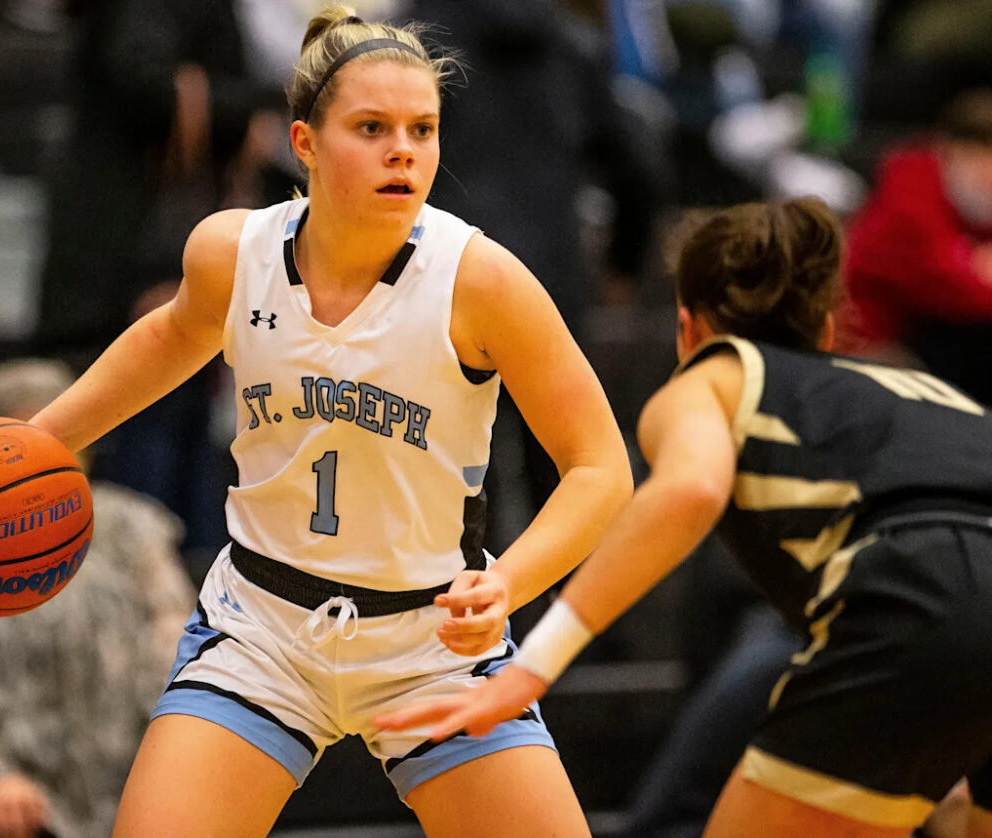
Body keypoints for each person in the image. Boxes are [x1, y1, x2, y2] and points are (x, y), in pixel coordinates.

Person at [25, 6, 633, 836]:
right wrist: (40, 440)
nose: (403, 150)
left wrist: (509, 583)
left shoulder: (481, 280)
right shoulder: (233, 253)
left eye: (423, 129)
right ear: (304, 143)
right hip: (264, 630)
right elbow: (169, 337)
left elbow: (600, 466)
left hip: (430, 642)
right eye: (372, 127)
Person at [378, 196, 992, 837]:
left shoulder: (717, 374)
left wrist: (532, 668)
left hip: (914, 591)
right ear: (828, 332)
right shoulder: (931, 394)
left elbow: (692, 489)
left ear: (688, 329)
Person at [0, 358, 195, 838]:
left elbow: (178, 645)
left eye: (61, 433)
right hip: (6, 788)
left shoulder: (135, 526)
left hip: (130, 764)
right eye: (19, 440)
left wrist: (165, 757)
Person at [844, 88, 992, 405]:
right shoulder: (909, 195)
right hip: (865, 346)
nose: (986, 178)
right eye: (979, 164)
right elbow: (955, 287)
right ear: (948, 154)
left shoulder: (969, 205)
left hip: (929, 337)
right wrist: (974, 267)